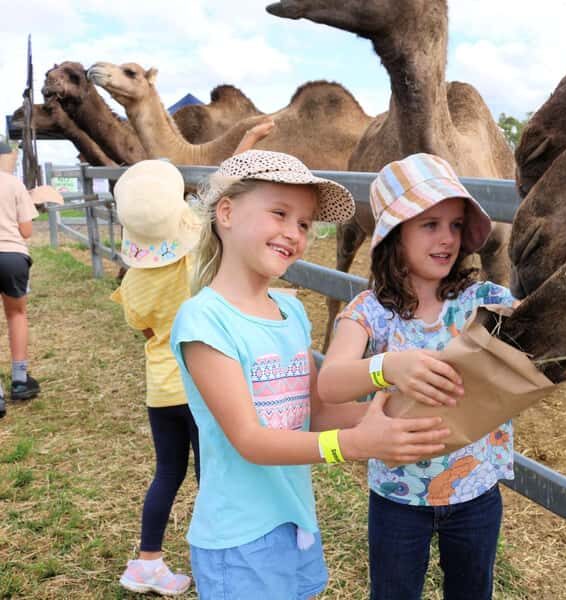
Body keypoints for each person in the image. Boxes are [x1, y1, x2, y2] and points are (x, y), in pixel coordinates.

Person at [169, 149, 450, 599]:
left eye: (303, 223)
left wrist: (400, 414)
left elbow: (315, 412)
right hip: (238, 537)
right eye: (279, 213)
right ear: (226, 212)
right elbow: (251, 441)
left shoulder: (292, 311)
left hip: (295, 520)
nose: (293, 233)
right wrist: (355, 445)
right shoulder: (204, 321)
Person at [318, 153, 518, 600]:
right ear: (394, 235)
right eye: (429, 224)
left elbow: (536, 328)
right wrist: (387, 366)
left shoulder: (483, 300)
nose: (446, 238)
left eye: (454, 225)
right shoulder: (370, 312)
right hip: (397, 496)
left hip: (475, 491)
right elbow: (330, 383)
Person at [111, 160, 201, 595]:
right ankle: (212, 557)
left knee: (167, 472)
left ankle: (148, 561)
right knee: (211, 477)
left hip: (160, 387)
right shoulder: (192, 264)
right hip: (202, 386)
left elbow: (142, 327)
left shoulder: (132, 283)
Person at [0, 141, 40, 419]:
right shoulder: (13, 184)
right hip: (12, 256)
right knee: (17, 314)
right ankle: (20, 379)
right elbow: (26, 231)